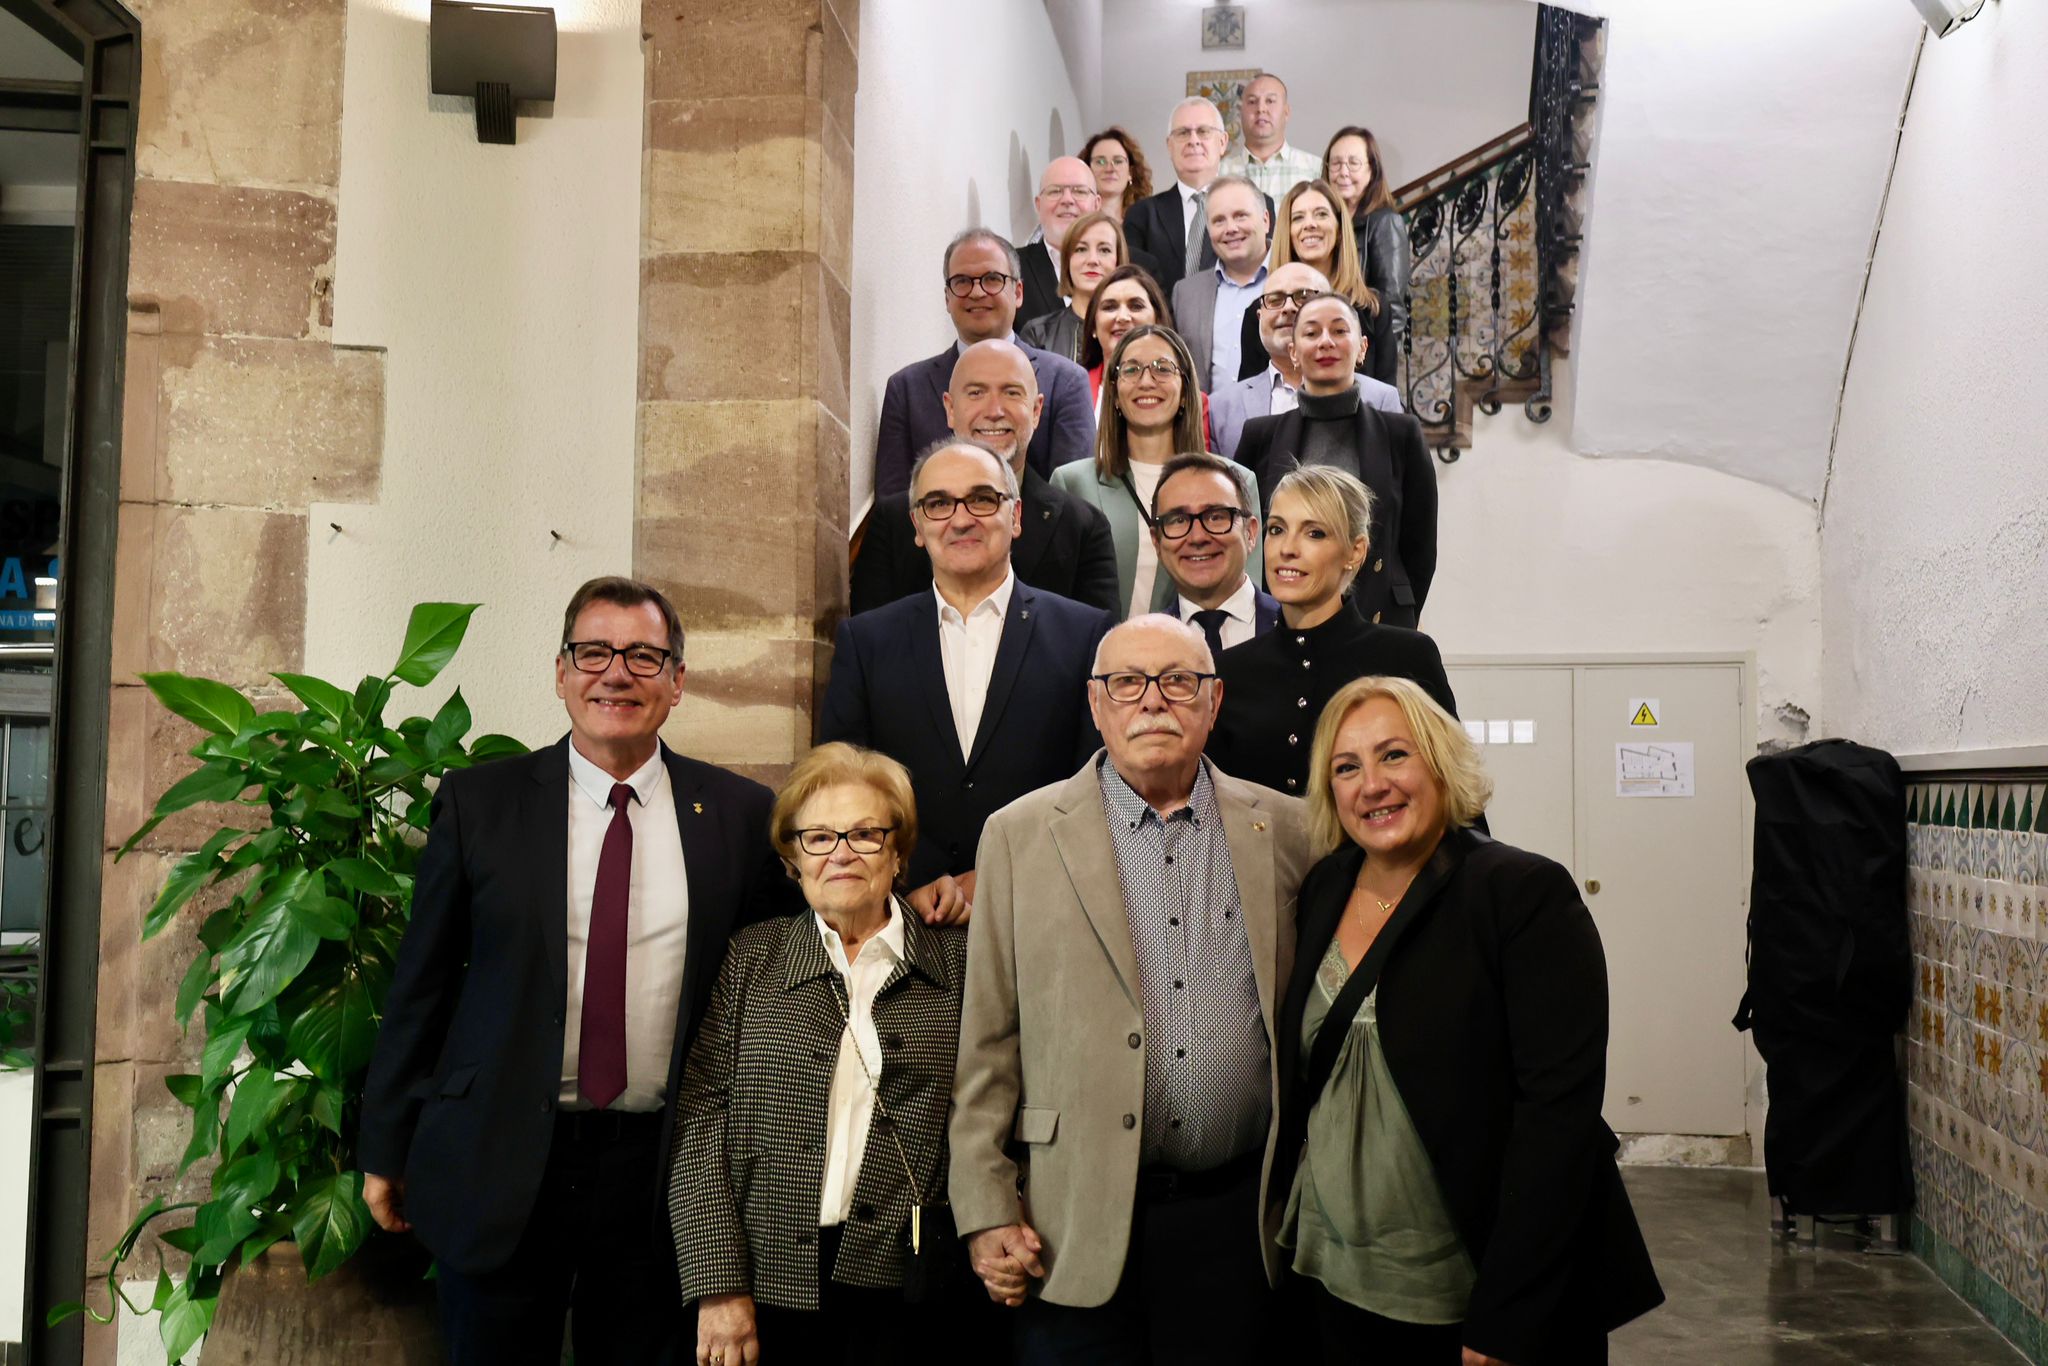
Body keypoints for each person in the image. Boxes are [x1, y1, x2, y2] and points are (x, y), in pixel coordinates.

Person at [360, 576, 802, 1366]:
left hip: (658, 1170)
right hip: (500, 1153)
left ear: (677, 681)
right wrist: (385, 1146)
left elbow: (773, 985)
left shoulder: (738, 815)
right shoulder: (481, 803)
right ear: (561, 673)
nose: (616, 674)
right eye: (594, 652)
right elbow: (420, 985)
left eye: (642, 656)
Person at [950, 613, 1315, 1365]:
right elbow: (987, 1042)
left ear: (1213, 701)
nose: (1152, 700)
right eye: (1126, 683)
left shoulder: (1291, 831)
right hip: (1067, 1223)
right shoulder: (1018, 834)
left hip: (1238, 1225)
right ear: (1096, 703)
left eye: (1178, 681)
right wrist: (985, 1208)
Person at [1273, 676, 1664, 1362]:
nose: (1372, 785)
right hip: (1333, 1275)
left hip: (1468, 1290)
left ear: (1440, 763)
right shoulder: (1324, 888)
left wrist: (1509, 1313)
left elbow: (1557, 1118)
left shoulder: (1519, 893)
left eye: (1394, 755)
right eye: (1346, 767)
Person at [672, 742, 969, 1366]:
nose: (840, 853)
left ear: (898, 852)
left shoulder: (960, 965)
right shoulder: (752, 959)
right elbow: (700, 1123)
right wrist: (718, 1286)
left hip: (912, 1290)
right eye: (818, 837)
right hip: (764, 1287)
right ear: (793, 859)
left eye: (864, 833)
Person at [820, 437, 1114, 925]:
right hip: (905, 914)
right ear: (917, 526)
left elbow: (1097, 785)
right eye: (938, 503)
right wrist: (906, 882)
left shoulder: (1086, 635)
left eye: (982, 499)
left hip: (1043, 912)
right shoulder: (866, 641)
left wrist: (1000, 872)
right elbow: (840, 783)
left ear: (1016, 516)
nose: (960, 520)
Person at [1208, 465, 1454, 798]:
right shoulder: (1229, 672)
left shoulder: (1406, 657)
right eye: (1277, 529)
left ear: (1355, 551)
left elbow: (1455, 797)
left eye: (1314, 533)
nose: (1287, 548)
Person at [852, 338, 1118, 615]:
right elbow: (872, 636)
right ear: (950, 409)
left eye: (1011, 393)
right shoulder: (894, 523)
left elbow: (1100, 640)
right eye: (976, 393)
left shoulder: (1083, 528)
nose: (994, 411)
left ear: (1036, 411)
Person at [1236, 294, 1436, 627]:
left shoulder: (1402, 434)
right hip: (1283, 621)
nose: (1326, 342)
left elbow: (1420, 548)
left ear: (1362, 348)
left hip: (1379, 622)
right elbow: (1246, 540)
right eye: (1312, 333)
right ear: (1294, 352)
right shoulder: (1260, 435)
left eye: (1339, 331)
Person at [872, 229, 1095, 497]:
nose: (977, 292)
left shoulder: (1066, 381)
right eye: (962, 281)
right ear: (947, 298)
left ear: (1018, 292)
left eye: (992, 279)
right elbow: (893, 506)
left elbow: (1075, 499)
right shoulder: (906, 389)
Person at [1052, 325, 1248, 619]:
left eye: (1162, 369)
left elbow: (1248, 601)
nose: (1146, 381)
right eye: (1131, 370)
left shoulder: (1234, 481)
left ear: (1185, 391)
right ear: (1114, 394)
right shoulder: (1071, 483)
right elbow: (1056, 604)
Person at [1209, 262, 1402, 462]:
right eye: (1275, 300)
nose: (1288, 308)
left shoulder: (1380, 399)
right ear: (1259, 317)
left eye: (1303, 296)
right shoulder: (1220, 408)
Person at [1150, 451, 1279, 657]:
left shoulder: (1299, 628)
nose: (1198, 537)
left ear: (1250, 532)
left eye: (1216, 517)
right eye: (1178, 520)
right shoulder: (1140, 647)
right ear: (1156, 541)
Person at [1272, 179, 1392, 388]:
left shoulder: (1373, 309)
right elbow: (1251, 394)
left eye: (1321, 214)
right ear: (1287, 232)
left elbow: (1386, 395)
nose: (1310, 224)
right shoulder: (1266, 313)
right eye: (1298, 217)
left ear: (1339, 229)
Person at [1324, 125, 1409, 386]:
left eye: (1353, 163)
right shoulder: (1325, 224)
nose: (1343, 172)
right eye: (1336, 163)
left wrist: (1375, 368)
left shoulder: (1385, 222)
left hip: (1364, 365)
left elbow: (1393, 309)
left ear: (1372, 170)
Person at [1169, 175, 1270, 392]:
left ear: (1265, 220)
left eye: (1240, 216)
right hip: (1208, 414)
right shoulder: (1186, 293)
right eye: (1219, 221)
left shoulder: (1295, 281)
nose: (1230, 228)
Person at [1121, 97, 1231, 295]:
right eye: (1183, 133)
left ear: (1222, 142)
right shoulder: (1142, 215)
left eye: (1203, 131)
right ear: (1169, 146)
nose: (1193, 140)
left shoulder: (1254, 208)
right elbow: (1134, 285)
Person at [1020, 210, 1126, 365]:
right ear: (1067, 261)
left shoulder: (1137, 330)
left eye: (1104, 250)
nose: (1092, 260)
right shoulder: (1038, 333)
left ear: (1118, 261)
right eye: (1081, 249)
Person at [1018, 156, 1104, 329]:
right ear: (1038, 205)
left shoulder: (1132, 266)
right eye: (1055, 191)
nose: (1067, 200)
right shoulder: (1012, 267)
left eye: (1079, 191)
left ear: (1096, 205)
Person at [1079, 263, 1174, 405]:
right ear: (1093, 326)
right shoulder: (1071, 393)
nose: (1122, 317)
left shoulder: (1186, 396)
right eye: (1110, 307)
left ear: (1158, 320)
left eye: (1136, 306)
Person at [1220, 73, 1322, 201]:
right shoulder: (1219, 173)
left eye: (1270, 101)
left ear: (1286, 112)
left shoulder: (1316, 170)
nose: (1261, 109)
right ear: (1241, 113)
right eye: (1252, 102)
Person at [1081, 126, 1154, 222]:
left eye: (1118, 161)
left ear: (1130, 172)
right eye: (1100, 162)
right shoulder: (1076, 221)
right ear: (1087, 169)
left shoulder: (1146, 222)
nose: (1109, 169)